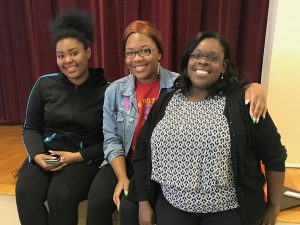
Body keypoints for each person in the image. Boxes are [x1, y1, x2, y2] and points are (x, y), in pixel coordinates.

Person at [87, 20, 268, 225]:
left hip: (162, 164)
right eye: (130, 53)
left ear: (159, 53)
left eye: (145, 51)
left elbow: (220, 87)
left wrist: (253, 86)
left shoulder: (180, 85)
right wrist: (122, 177)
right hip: (122, 161)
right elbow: (111, 139)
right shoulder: (115, 90)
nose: (137, 58)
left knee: (130, 207)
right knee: (97, 202)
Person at [131, 31, 287, 225]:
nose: (202, 61)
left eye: (212, 57)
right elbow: (143, 153)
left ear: (224, 65)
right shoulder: (166, 101)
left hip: (228, 208)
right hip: (173, 204)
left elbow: (275, 156)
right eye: (196, 55)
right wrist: (144, 202)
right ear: (188, 61)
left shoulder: (244, 102)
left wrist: (273, 206)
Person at [15, 8, 108, 225]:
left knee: (61, 195)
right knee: (26, 190)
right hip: (45, 155)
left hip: (83, 159)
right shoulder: (44, 84)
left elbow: (111, 141)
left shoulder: (108, 91)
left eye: (73, 53)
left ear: (88, 52)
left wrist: (76, 157)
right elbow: (30, 128)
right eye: (61, 55)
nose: (68, 60)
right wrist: (37, 155)